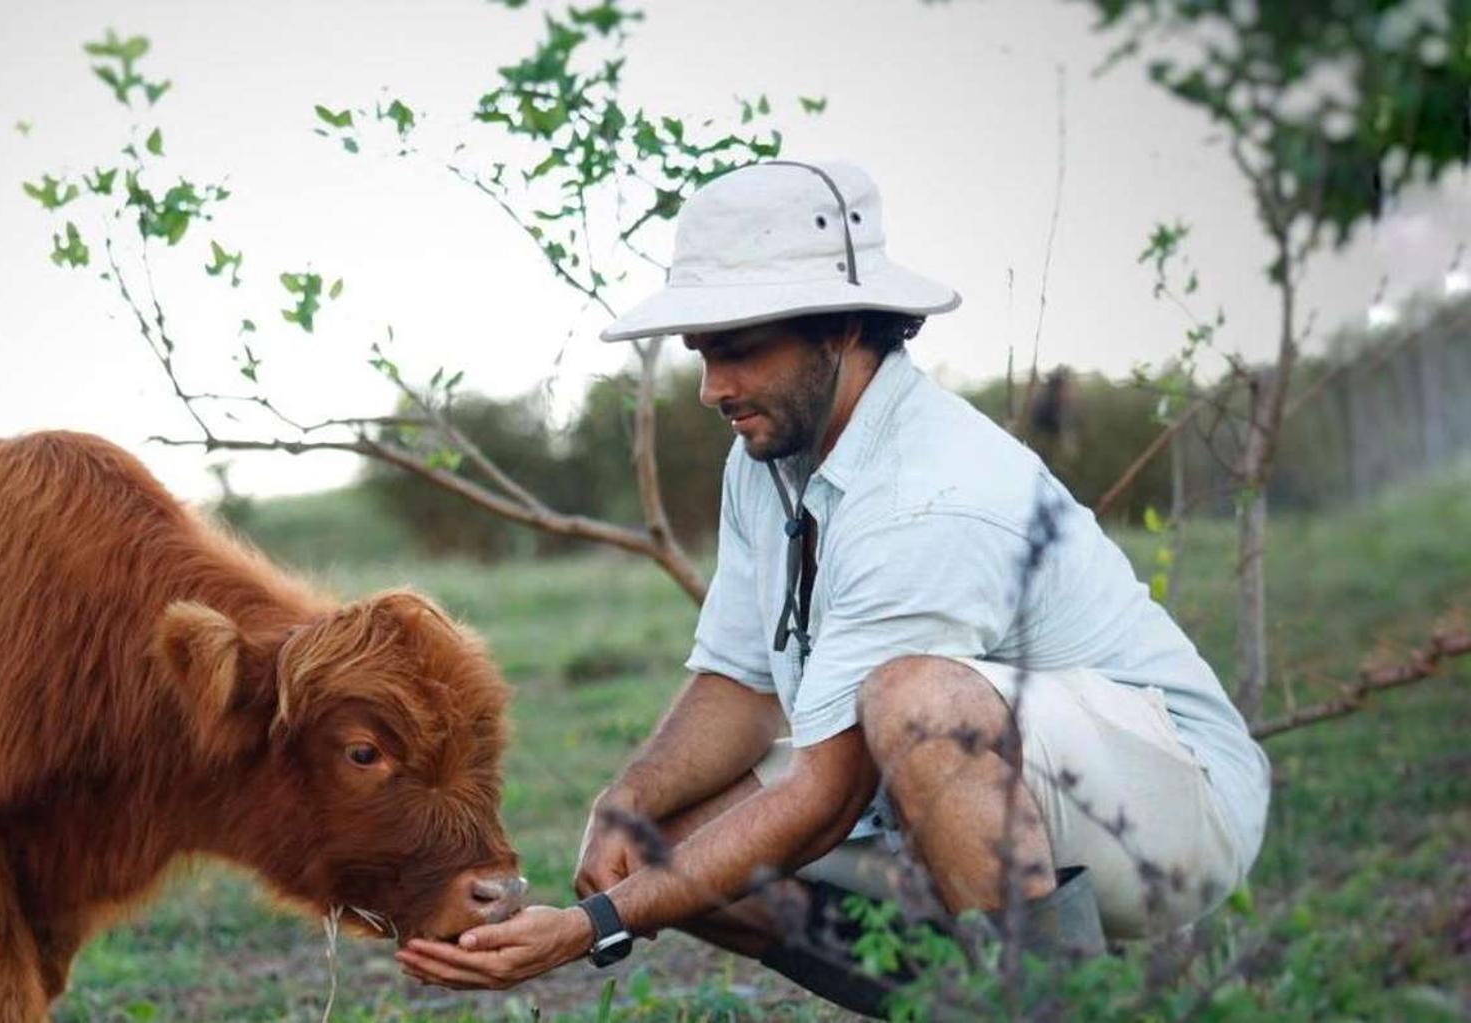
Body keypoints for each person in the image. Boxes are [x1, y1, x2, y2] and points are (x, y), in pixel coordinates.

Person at [395, 160, 1271, 1003]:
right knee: (664, 840)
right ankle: (973, 1006)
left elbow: (824, 794)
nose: (712, 386)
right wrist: (625, 800)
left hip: (1173, 812)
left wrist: (592, 925)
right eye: (703, 351)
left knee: (915, 700)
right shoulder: (771, 453)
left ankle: (1053, 1007)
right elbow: (739, 685)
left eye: (738, 349)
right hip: (998, 791)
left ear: (844, 327)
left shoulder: (929, 491)